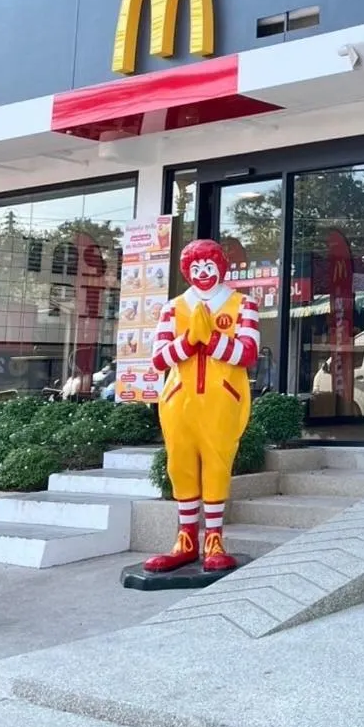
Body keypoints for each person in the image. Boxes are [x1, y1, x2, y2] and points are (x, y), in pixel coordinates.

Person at [144, 239, 260, 574]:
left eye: (208, 267)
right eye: (195, 269)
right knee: (180, 466)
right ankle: (186, 540)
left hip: (222, 401)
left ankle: (214, 539)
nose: (203, 274)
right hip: (178, 401)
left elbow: (248, 354)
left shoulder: (243, 305)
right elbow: (159, 358)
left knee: (216, 465)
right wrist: (190, 339)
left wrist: (210, 339)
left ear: (221, 268)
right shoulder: (173, 308)